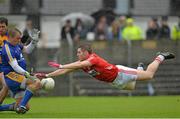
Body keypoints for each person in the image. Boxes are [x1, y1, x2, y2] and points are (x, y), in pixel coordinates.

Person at [36, 43, 175, 91]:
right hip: (114, 82)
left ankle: (160, 56)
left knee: (149, 75)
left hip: (120, 73)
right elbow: (64, 70)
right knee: (132, 87)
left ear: (86, 52)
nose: (77, 54)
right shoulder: (81, 63)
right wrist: (48, 75)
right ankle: (138, 69)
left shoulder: (92, 59)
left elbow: (80, 64)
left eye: (79, 52)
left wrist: (61, 64)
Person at [0, 28, 41, 114]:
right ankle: (21, 106)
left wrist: (34, 42)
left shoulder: (16, 45)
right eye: (17, 38)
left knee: (27, 107)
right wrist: (27, 74)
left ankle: (12, 107)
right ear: (10, 38)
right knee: (36, 82)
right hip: (11, 77)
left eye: (20, 38)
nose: (20, 40)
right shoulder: (7, 49)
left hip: (18, 77)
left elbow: (27, 50)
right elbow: (15, 66)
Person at [0, 17, 9, 105]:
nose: (1, 29)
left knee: (6, 86)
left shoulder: (10, 37)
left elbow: (22, 46)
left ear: (7, 27)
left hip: (4, 67)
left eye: (3, 26)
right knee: (6, 86)